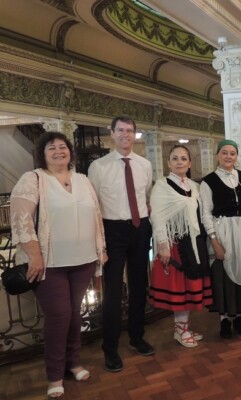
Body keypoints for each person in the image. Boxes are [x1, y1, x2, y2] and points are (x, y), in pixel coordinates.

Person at [10, 132, 107, 399]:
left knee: (75, 313)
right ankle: (54, 373)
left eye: (62, 147)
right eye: (51, 148)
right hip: (49, 263)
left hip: (84, 259)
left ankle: (73, 363)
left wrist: (101, 249)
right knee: (59, 315)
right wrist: (35, 254)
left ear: (70, 152)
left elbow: (96, 217)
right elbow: (21, 220)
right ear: (42, 153)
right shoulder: (33, 179)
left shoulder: (83, 180)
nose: (58, 151)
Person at [88, 115, 154, 373]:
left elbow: (145, 194)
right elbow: (94, 206)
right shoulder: (99, 167)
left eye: (130, 131)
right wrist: (99, 241)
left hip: (140, 228)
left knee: (140, 285)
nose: (126, 135)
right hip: (112, 230)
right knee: (113, 292)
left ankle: (137, 337)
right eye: (121, 130)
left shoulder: (145, 165)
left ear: (135, 135)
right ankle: (110, 348)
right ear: (112, 133)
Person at [148, 145, 213, 347]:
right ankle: (180, 330)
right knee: (180, 289)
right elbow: (157, 217)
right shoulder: (162, 185)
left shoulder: (194, 186)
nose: (179, 162)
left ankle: (184, 327)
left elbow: (201, 214)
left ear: (189, 163)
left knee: (190, 288)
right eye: (175, 158)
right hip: (175, 243)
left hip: (194, 241)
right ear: (168, 163)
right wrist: (163, 245)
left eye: (183, 158)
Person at [200, 139, 241, 338]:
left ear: (236, 156)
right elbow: (205, 213)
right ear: (217, 155)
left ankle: (239, 316)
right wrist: (214, 240)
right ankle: (224, 319)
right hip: (222, 229)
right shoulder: (208, 181)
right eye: (224, 152)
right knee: (224, 275)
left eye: (232, 153)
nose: (228, 156)